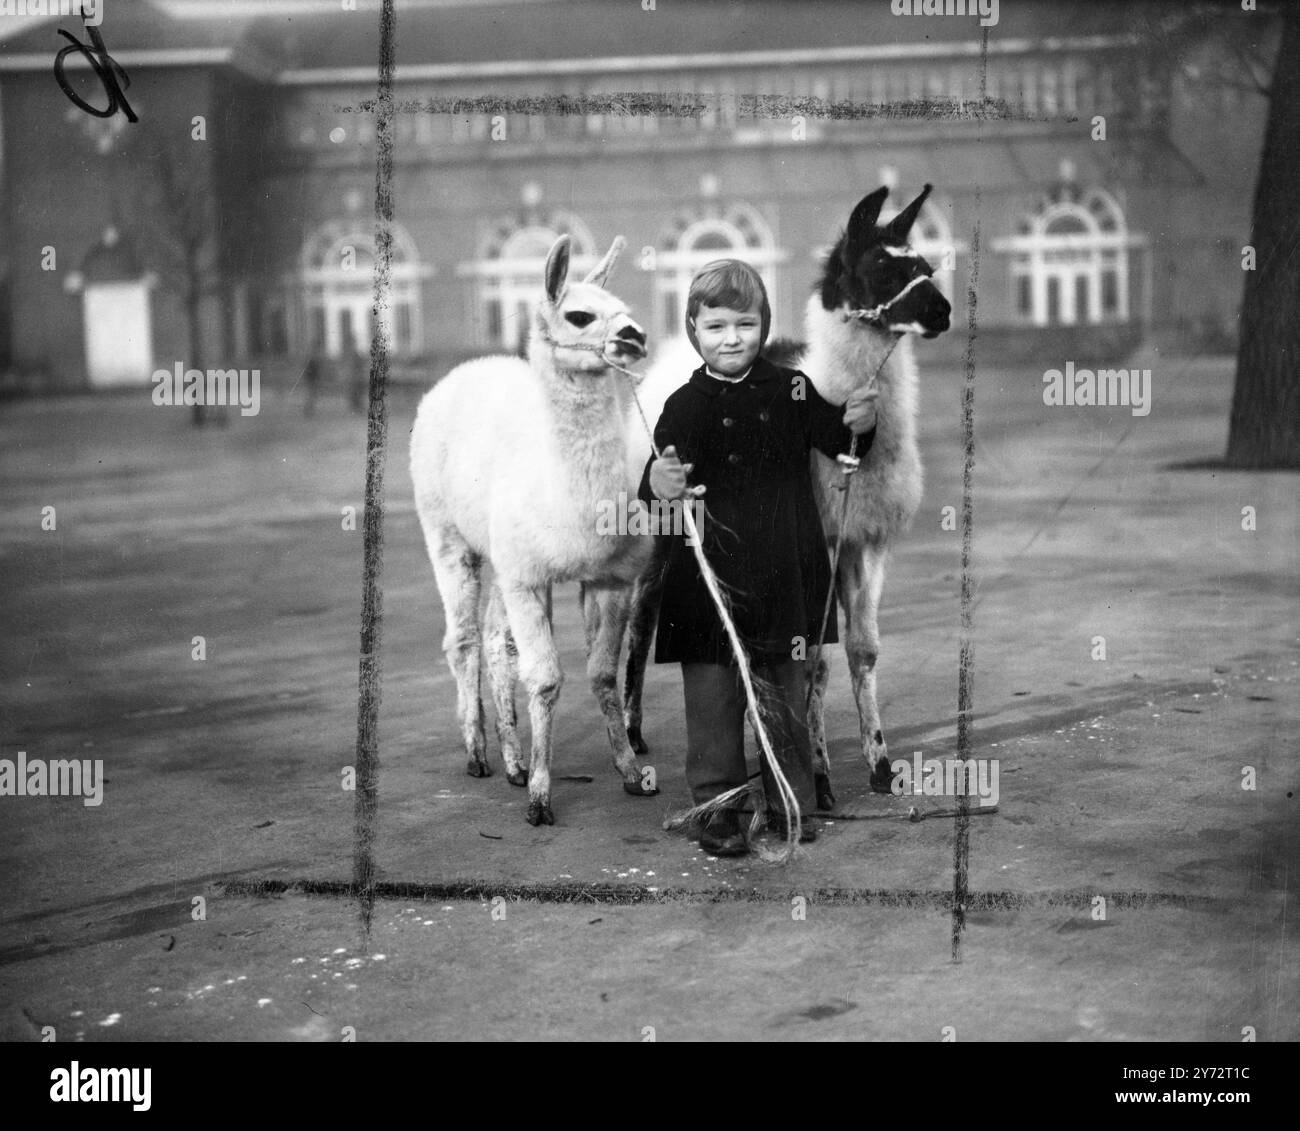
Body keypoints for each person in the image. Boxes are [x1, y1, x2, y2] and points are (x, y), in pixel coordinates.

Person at [638, 259, 879, 857]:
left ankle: (787, 800)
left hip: (782, 575)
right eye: (715, 326)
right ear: (694, 329)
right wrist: (660, 480)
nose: (731, 338)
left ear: (764, 327)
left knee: (785, 697)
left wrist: (859, 426)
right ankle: (719, 808)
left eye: (745, 324)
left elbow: (837, 439)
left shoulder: (790, 387)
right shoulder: (684, 403)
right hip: (710, 583)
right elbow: (657, 483)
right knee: (714, 705)